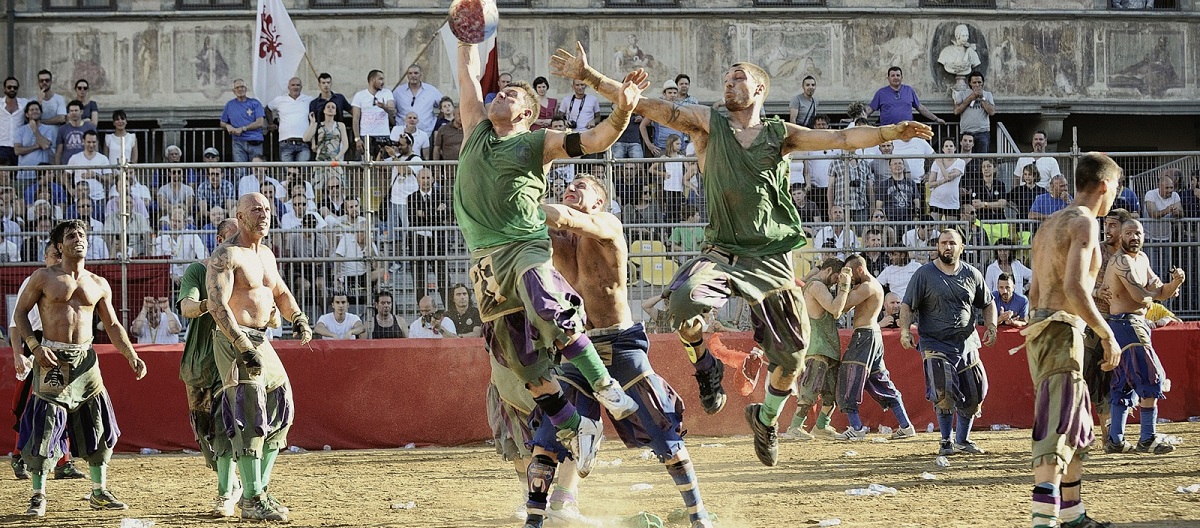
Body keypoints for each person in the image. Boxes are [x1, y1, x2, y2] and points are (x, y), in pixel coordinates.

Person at [576, 51, 932, 466]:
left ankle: (765, 419)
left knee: (793, 358)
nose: (728, 84)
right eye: (726, 79)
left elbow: (842, 139)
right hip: (722, 251)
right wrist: (592, 77)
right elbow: (652, 106)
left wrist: (891, 131)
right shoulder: (709, 123)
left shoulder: (780, 134)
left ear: (759, 88)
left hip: (771, 258)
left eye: (738, 78)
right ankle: (705, 365)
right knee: (682, 303)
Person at [453, 39, 641, 475]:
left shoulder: (539, 142)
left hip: (524, 244)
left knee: (546, 303)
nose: (500, 94)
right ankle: (575, 426)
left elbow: (595, 139)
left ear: (526, 113)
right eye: (500, 91)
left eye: (511, 94)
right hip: (484, 259)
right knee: (521, 360)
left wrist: (623, 111)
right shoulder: (475, 128)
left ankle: (605, 385)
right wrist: (467, 35)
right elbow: (467, 73)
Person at [538, 175, 715, 528]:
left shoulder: (607, 224)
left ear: (599, 201)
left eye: (581, 185)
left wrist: (526, 202)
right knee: (557, 429)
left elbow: (559, 217)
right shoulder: (557, 239)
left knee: (663, 428)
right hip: (579, 345)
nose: (570, 188)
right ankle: (550, 509)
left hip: (621, 344)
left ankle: (699, 515)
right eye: (567, 185)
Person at [11, 219, 148, 517]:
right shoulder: (43, 277)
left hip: (86, 360)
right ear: (60, 246)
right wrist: (35, 347)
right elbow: (19, 314)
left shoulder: (98, 283)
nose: (78, 239)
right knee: (45, 425)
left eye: (82, 235)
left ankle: (99, 491)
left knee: (98, 423)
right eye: (71, 236)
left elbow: (113, 325)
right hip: (52, 358)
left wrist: (131, 355)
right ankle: (38, 494)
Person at [1023, 151, 1122, 528]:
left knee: (1077, 425)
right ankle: (1043, 520)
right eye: (1116, 187)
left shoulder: (1048, 225)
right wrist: (1107, 334)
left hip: (1044, 329)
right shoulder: (1084, 223)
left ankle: (1072, 514)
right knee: (1056, 425)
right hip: (1062, 332)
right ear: (1104, 186)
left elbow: (1035, 293)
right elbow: (1075, 287)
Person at [206, 193, 314, 521]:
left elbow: (279, 291)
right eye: (256, 209)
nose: (264, 214)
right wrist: (241, 344)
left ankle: (258, 489)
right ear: (240, 216)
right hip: (235, 339)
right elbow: (217, 305)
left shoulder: (266, 254)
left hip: (262, 339)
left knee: (282, 405)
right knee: (249, 412)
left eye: (266, 209)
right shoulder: (226, 255)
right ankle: (252, 499)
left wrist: (298, 317)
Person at [899, 229, 997, 456]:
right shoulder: (924, 274)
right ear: (937, 246)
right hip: (935, 343)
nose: (947, 247)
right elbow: (907, 305)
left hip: (967, 342)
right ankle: (946, 440)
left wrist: (991, 326)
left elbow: (988, 302)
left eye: (952, 243)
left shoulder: (972, 274)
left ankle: (963, 440)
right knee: (943, 390)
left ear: (961, 247)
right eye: (943, 243)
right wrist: (905, 331)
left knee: (975, 391)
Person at [176, 218, 242, 517]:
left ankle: (226, 492)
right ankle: (229, 479)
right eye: (232, 239)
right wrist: (209, 304)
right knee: (204, 433)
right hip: (200, 363)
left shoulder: (248, 270)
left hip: (232, 360)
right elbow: (186, 308)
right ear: (218, 240)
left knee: (225, 426)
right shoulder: (198, 270)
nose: (237, 246)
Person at [1101, 219, 1184, 455]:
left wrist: (1175, 282)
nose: (1134, 237)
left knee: (1124, 383)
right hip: (1126, 323)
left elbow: (1161, 292)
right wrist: (1158, 292)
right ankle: (1147, 437)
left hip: (1132, 324)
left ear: (1144, 235)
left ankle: (1116, 439)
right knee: (1151, 376)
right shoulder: (1121, 261)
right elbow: (1139, 296)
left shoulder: (1142, 259)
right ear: (1121, 237)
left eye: (1138, 233)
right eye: (1129, 233)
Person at [8, 241, 87, 482]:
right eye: (54, 255)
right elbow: (16, 323)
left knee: (64, 405)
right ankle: (21, 456)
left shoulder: (74, 281)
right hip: (39, 347)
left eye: (61, 256)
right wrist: (19, 354)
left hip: (67, 349)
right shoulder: (35, 281)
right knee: (35, 408)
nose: (58, 260)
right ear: (45, 257)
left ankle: (61, 461)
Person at [834, 254, 916, 440]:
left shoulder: (867, 286)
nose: (849, 275)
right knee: (880, 380)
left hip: (865, 336)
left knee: (849, 376)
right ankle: (905, 426)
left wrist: (844, 284)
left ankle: (856, 428)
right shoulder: (870, 286)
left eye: (850, 271)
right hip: (872, 336)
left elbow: (842, 306)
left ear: (860, 269)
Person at [1083, 207, 1132, 442]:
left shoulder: (1132, 255)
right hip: (1095, 323)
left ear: (1124, 229)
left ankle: (1111, 437)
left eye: (1113, 225)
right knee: (1085, 378)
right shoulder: (1096, 251)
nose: (1107, 229)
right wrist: (1096, 291)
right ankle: (1080, 436)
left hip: (1121, 324)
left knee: (1116, 382)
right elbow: (1079, 283)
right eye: (1106, 224)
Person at [788, 258, 850, 441]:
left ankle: (821, 426)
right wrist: (845, 287)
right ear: (829, 270)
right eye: (836, 277)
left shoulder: (817, 284)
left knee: (831, 393)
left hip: (827, 348)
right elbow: (836, 310)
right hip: (817, 348)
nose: (837, 281)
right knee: (810, 390)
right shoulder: (816, 286)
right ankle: (795, 427)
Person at [869, 66, 945, 126]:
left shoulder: (909, 90)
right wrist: (862, 119)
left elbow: (920, 108)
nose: (896, 77)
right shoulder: (881, 93)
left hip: (906, 131)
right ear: (888, 78)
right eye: (892, 76)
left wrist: (936, 119)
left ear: (901, 77)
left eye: (898, 75)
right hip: (888, 132)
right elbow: (870, 109)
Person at [219, 79, 266, 164]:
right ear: (233, 91)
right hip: (238, 141)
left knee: (257, 168)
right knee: (240, 169)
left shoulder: (255, 103)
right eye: (237, 87)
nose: (240, 89)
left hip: (254, 140)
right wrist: (228, 126)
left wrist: (243, 128)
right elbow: (222, 122)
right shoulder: (229, 105)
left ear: (246, 89)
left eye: (242, 87)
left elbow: (260, 122)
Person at [393, 64, 444, 136]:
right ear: (407, 76)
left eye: (416, 73)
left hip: (426, 133)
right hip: (403, 134)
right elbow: (390, 109)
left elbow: (444, 105)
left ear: (421, 75)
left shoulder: (431, 90)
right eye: (410, 73)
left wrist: (438, 121)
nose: (413, 75)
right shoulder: (398, 91)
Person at [952, 71, 996, 153]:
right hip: (966, 132)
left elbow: (992, 112)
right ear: (970, 83)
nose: (977, 85)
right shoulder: (962, 94)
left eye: (979, 82)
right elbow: (956, 111)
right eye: (974, 82)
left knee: (982, 158)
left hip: (982, 132)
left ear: (982, 83)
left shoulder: (988, 94)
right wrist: (970, 98)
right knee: (966, 157)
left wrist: (982, 99)